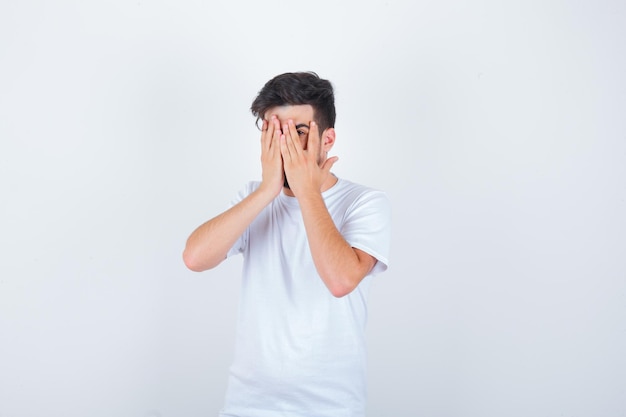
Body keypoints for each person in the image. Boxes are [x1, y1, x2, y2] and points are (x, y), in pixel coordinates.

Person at [183, 71, 391, 417]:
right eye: (273, 132)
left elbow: (341, 281)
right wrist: (268, 190)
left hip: (331, 407)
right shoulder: (254, 198)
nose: (285, 145)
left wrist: (307, 188)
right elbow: (194, 258)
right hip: (248, 405)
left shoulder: (365, 202)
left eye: (299, 132)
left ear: (328, 139)